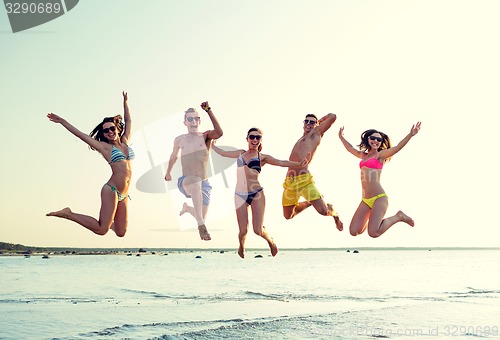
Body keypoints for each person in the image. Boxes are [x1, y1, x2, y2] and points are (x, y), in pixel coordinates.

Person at [46, 91, 134, 237]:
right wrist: (62, 121)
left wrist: (125, 103)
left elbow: (129, 121)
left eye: (112, 128)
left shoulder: (125, 141)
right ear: (104, 134)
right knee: (101, 230)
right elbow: (81, 135)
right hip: (111, 190)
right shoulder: (105, 148)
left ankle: (108, 219)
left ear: (117, 129)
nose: (109, 132)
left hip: (124, 194)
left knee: (121, 232)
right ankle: (69, 214)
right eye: (106, 131)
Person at [212, 128, 309, 258]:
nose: (255, 140)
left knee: (257, 230)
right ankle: (241, 246)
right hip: (239, 195)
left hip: (256, 193)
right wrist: (212, 146)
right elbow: (223, 153)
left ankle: (271, 241)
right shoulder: (240, 154)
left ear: (260, 140)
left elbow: (281, 162)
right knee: (243, 231)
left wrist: (298, 164)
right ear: (247, 139)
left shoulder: (262, 158)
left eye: (258, 138)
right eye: (252, 137)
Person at [338, 122, 422, 237]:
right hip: (365, 200)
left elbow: (397, 148)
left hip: (379, 198)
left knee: (374, 232)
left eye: (379, 139)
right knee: (354, 231)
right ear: (368, 139)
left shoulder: (380, 155)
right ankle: (373, 219)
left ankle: (399, 216)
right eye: (373, 138)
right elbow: (349, 148)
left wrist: (410, 135)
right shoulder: (363, 155)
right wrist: (341, 136)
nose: (376, 141)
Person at [164, 102, 223, 241]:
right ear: (185, 122)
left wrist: (208, 110)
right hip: (186, 181)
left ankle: (188, 209)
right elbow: (174, 156)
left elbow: (219, 132)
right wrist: (168, 172)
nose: (193, 121)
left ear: (199, 121)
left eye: (196, 118)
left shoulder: (205, 136)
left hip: (204, 184)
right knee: (195, 182)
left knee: (200, 214)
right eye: (190, 119)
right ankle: (201, 225)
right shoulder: (180, 140)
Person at [282, 113, 343, 231]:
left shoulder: (316, 134)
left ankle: (335, 213)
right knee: (288, 215)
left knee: (323, 211)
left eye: (312, 122)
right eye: (306, 121)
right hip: (289, 182)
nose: (309, 124)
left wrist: (319, 122)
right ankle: (310, 203)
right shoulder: (300, 139)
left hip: (303, 180)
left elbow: (332, 116)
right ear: (303, 123)